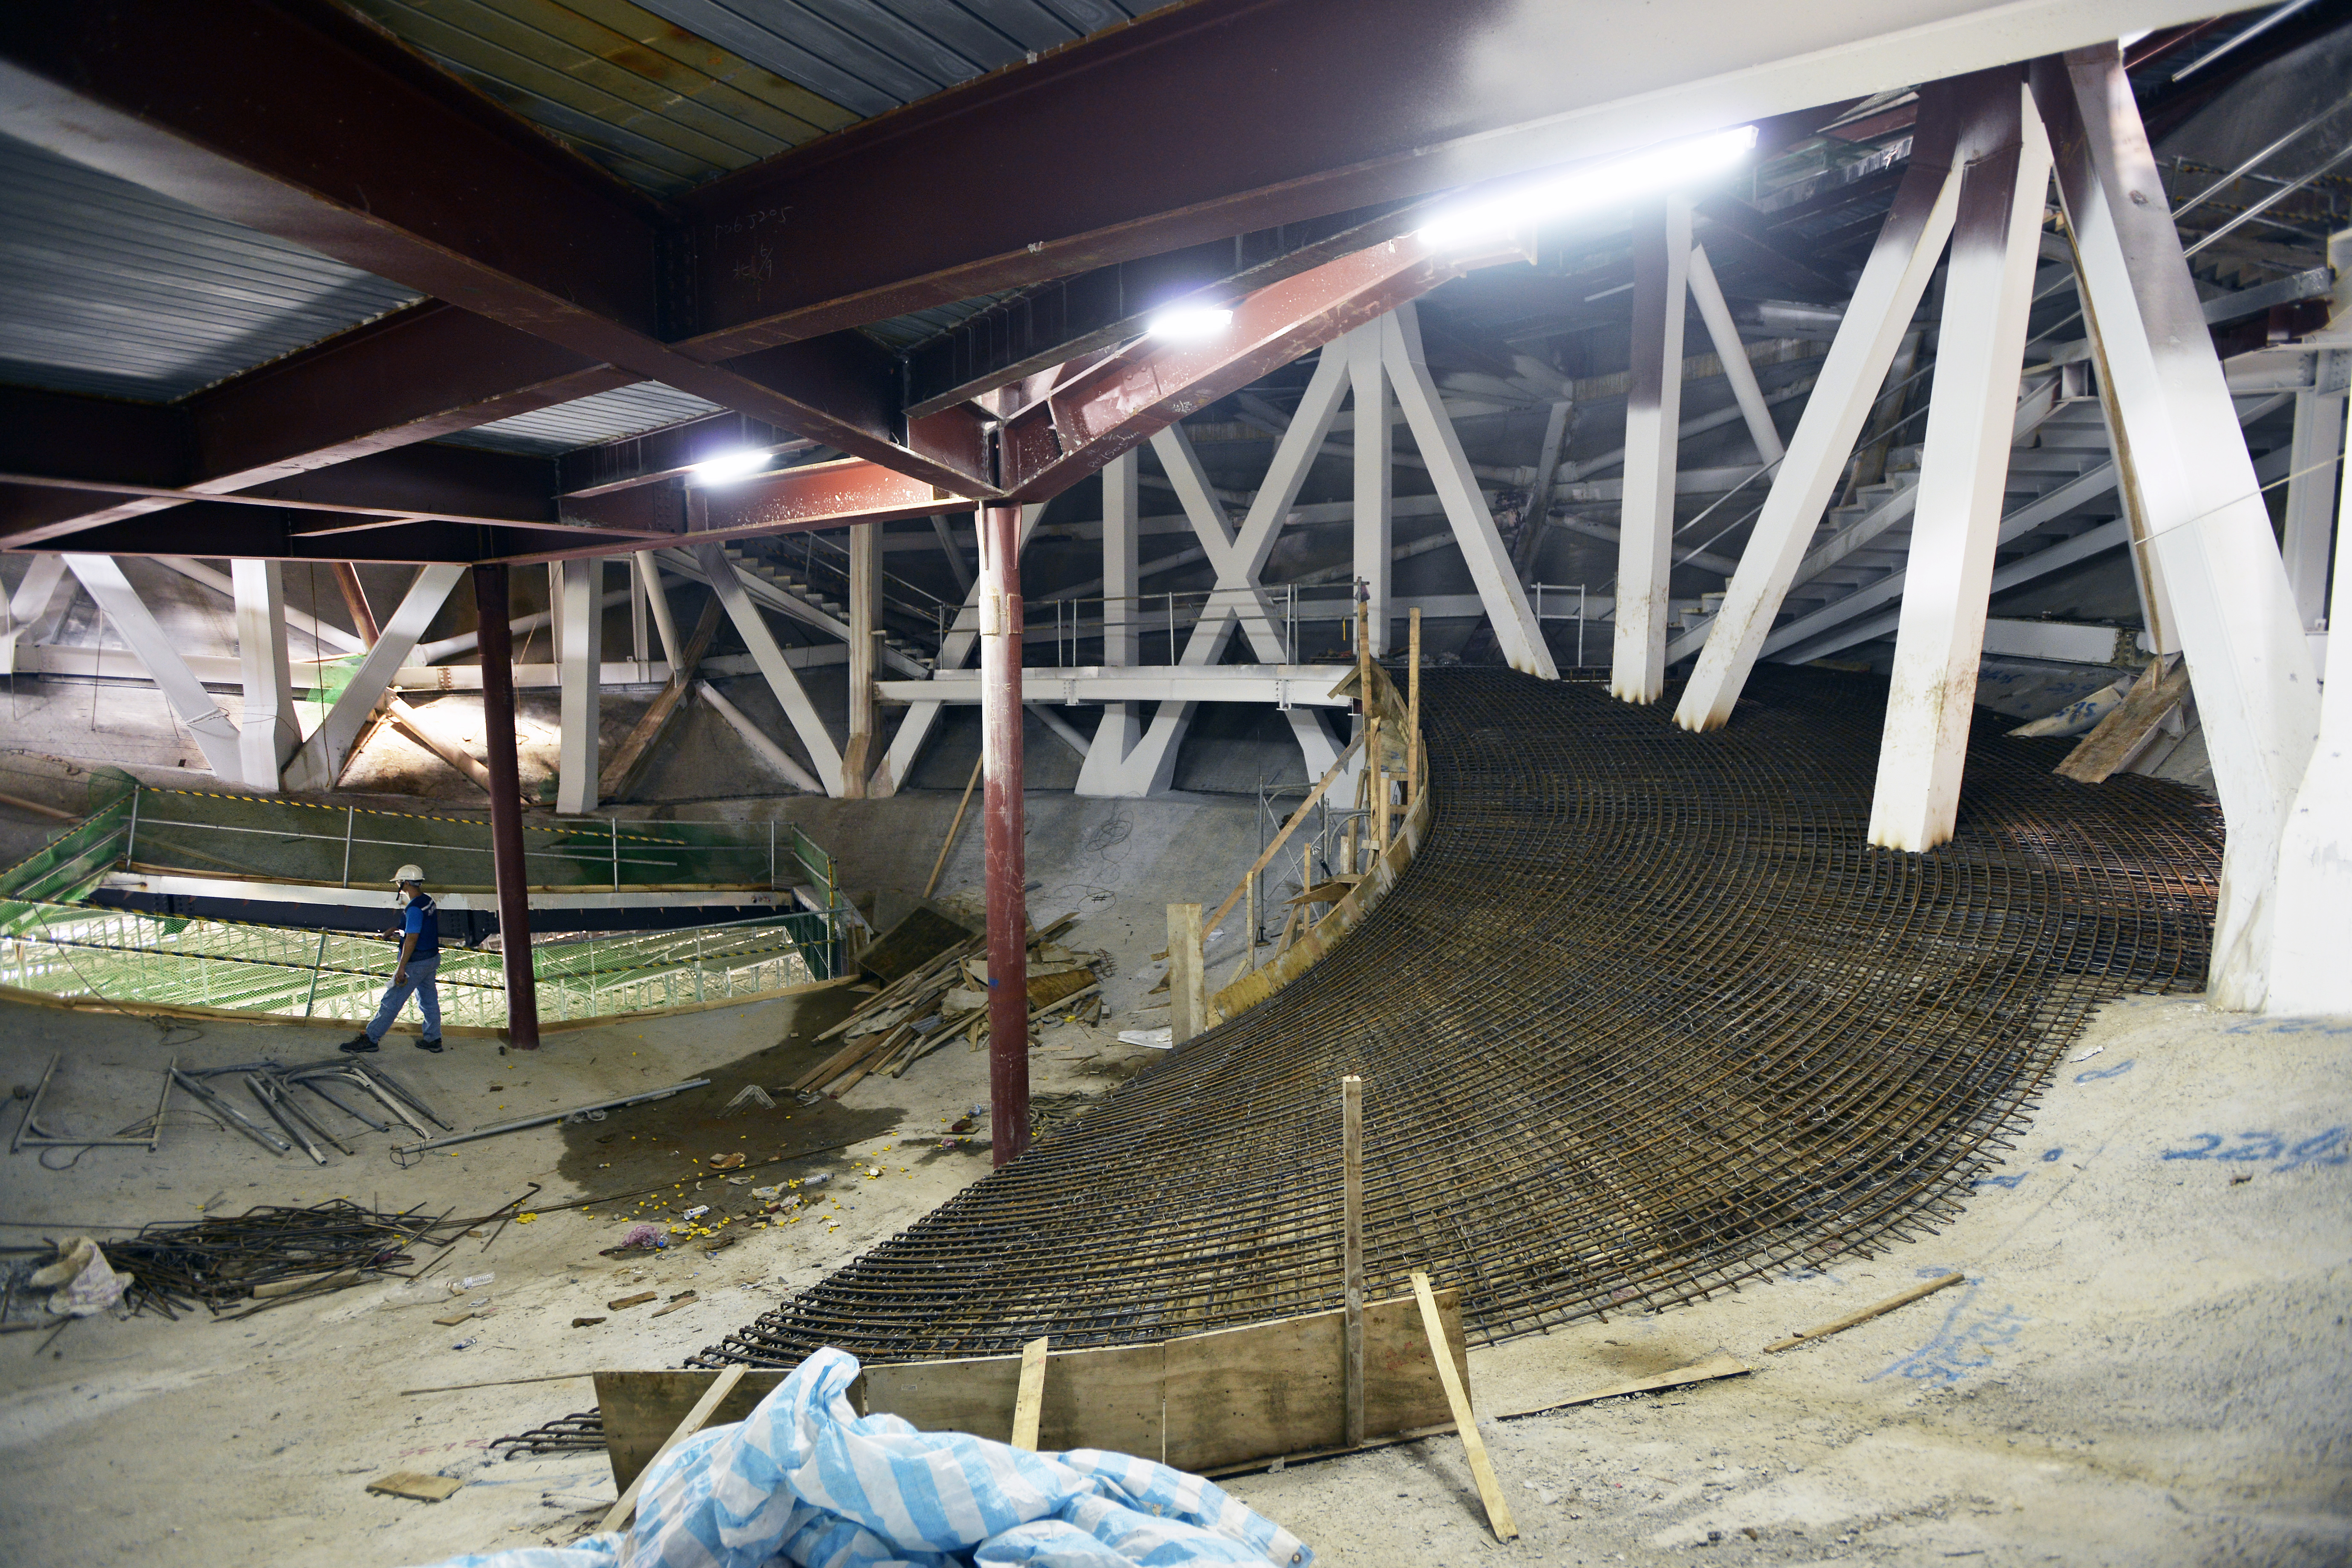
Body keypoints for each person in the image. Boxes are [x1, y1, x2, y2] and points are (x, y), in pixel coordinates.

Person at [340, 865, 444, 1054]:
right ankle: (433, 1039)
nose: (398, 885)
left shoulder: (413, 909)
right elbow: (420, 929)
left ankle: (371, 1039)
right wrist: (398, 931)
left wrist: (402, 968)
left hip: (416, 964)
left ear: (405, 883)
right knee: (429, 1001)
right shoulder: (427, 901)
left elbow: (413, 938)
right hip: (431, 959)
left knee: (392, 1001)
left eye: (399, 882)